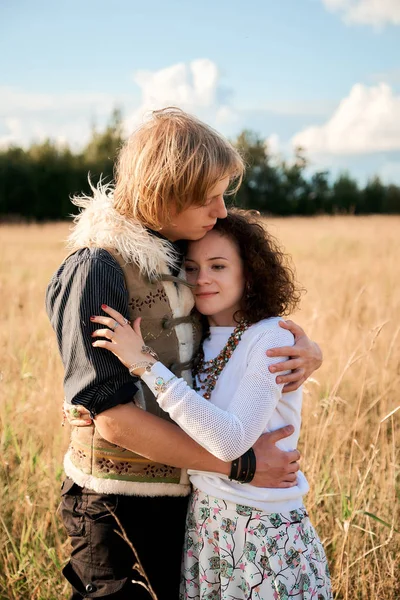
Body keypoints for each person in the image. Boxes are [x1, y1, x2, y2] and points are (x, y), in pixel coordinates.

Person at [46, 108, 323, 600]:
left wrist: (305, 350)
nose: (221, 211)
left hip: (183, 498)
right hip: (115, 500)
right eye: (210, 197)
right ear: (168, 194)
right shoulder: (97, 267)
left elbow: (226, 339)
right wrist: (239, 466)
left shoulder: (178, 258)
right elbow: (113, 420)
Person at [90, 210, 332, 599]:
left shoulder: (270, 338)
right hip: (207, 526)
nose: (201, 278)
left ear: (249, 273)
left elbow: (231, 441)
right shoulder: (200, 337)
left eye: (218, 266)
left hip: (261, 527)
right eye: (191, 267)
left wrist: (144, 363)